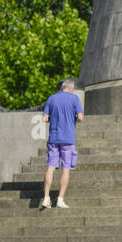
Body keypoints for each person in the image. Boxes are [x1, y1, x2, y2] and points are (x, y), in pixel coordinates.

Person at [40, 79, 83, 209]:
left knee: (51, 167)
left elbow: (45, 118)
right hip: (68, 138)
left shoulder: (51, 98)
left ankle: (46, 198)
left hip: (54, 138)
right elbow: (80, 117)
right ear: (71, 88)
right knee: (65, 169)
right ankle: (60, 199)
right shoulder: (74, 99)